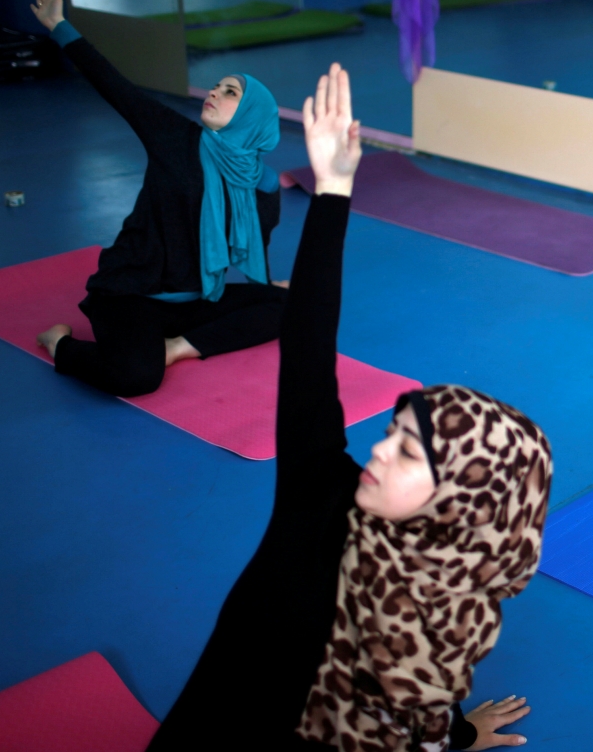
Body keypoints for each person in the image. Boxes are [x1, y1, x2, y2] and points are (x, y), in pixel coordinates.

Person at [146, 63, 550, 751]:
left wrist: (453, 735)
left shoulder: (447, 609)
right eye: (394, 433)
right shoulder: (319, 497)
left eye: (408, 453)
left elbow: (406, 696)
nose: (379, 449)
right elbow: (307, 346)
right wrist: (333, 188)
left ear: (460, 506)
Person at [30, 0, 290, 398]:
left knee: (291, 306)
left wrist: (267, 283)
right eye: (216, 86)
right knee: (136, 378)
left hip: (195, 298)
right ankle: (59, 342)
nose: (213, 93)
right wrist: (58, 26)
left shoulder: (265, 183)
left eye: (230, 93)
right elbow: (117, 87)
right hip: (130, 292)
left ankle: (177, 349)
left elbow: (254, 241)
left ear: (253, 118)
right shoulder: (174, 137)